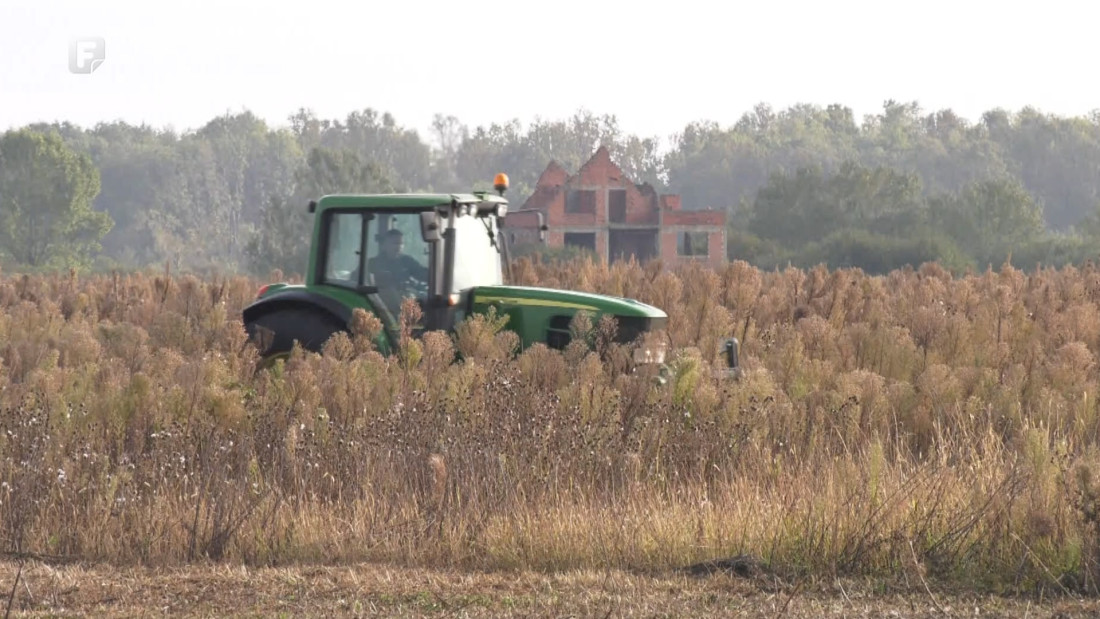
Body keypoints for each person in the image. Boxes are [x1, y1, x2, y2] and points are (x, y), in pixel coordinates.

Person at [366, 229, 428, 312]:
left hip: (406, 298)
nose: (399, 247)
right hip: (383, 304)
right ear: (384, 245)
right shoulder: (373, 263)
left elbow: (421, 273)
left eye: (401, 243)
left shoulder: (407, 261)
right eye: (395, 243)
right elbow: (358, 280)